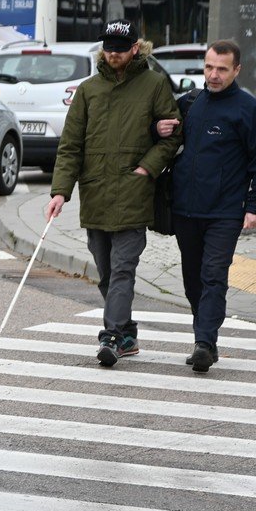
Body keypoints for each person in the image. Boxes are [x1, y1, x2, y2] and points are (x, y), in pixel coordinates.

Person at [45, 19, 181, 366]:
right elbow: (71, 145)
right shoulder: (89, 90)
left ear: (135, 48)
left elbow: (172, 136)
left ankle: (112, 336)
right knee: (106, 273)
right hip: (96, 194)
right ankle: (128, 330)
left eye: (121, 48)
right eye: (109, 47)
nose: (114, 54)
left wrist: (146, 169)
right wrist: (60, 191)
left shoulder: (154, 84)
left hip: (135, 194)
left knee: (123, 269)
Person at [157, 40, 256, 372]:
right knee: (191, 279)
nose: (213, 74)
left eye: (221, 69)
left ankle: (205, 344)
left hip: (225, 211)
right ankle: (204, 334)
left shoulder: (247, 109)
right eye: (209, 67)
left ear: (236, 70)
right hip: (184, 209)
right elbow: (164, 137)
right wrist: (159, 127)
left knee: (213, 275)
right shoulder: (190, 104)